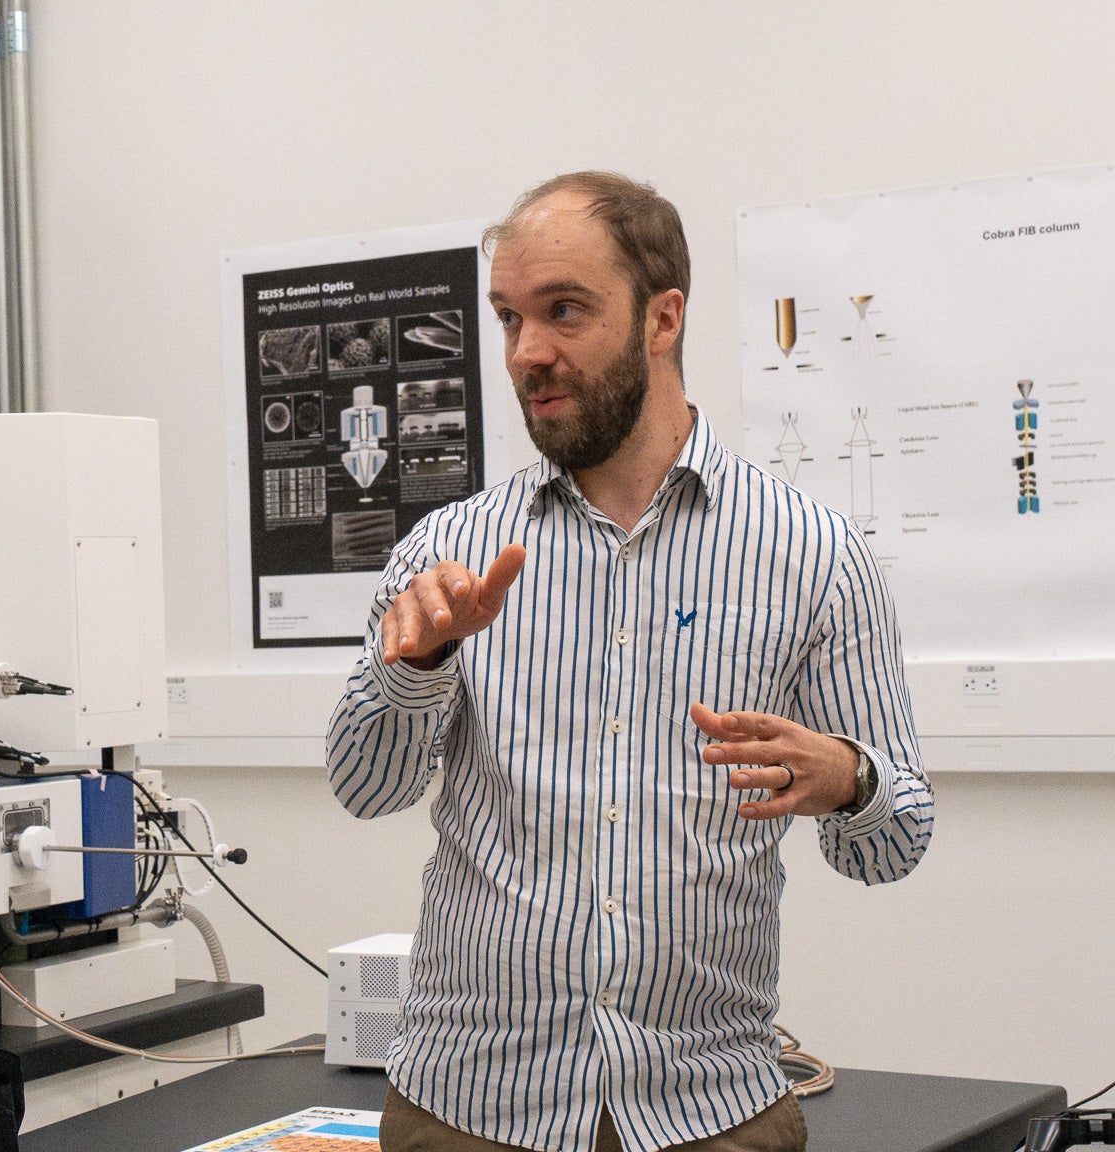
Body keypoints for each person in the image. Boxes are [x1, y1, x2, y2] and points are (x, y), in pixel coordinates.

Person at [327, 172, 933, 1152]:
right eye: (508, 318)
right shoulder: (445, 555)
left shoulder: (811, 553)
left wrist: (850, 778)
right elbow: (362, 788)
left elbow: (891, 842)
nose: (528, 352)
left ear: (662, 318)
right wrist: (415, 665)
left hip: (708, 1113)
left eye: (563, 311)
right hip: (467, 1113)